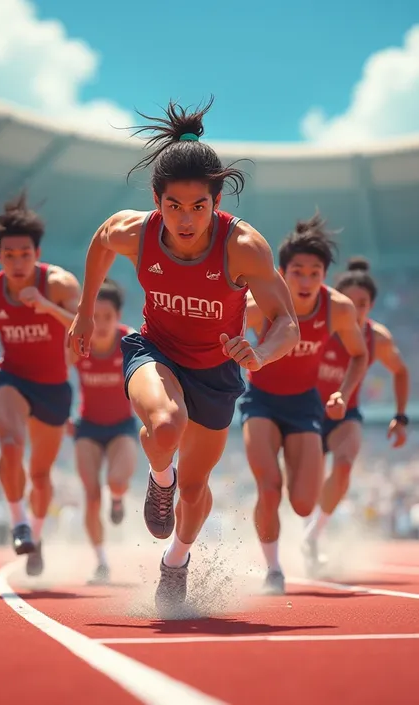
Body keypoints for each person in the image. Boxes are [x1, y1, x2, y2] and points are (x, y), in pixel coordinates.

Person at [68, 97, 300, 611]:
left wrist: (259, 354)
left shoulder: (244, 247)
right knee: (166, 425)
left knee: (197, 490)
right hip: (156, 351)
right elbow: (102, 241)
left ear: (217, 202)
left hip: (216, 371)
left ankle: (176, 562)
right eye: (173, 206)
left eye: (199, 207)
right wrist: (85, 311)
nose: (186, 219)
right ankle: (159, 481)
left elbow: (288, 322)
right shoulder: (137, 231)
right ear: (156, 199)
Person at [240, 213, 368, 595]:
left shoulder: (339, 308)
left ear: (325, 275)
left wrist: (343, 391)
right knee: (268, 486)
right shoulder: (260, 303)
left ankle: (304, 541)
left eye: (315, 273)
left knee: (301, 503)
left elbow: (359, 356)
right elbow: (220, 330)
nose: (307, 281)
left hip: (304, 406)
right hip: (259, 401)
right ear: (281, 272)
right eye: (298, 272)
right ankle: (274, 570)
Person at [0, 192, 81, 576]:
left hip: (53, 386)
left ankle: (37, 537)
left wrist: (49, 308)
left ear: (37, 252)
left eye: (24, 254)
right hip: (11, 377)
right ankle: (19, 523)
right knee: (10, 445)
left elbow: (83, 331)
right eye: (8, 255)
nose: (17, 262)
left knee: (41, 475)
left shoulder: (59, 284)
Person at [303, 257, 409, 571]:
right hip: (304, 413)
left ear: (371, 305)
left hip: (345, 415)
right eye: (349, 302)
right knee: (305, 488)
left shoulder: (378, 338)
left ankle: (313, 536)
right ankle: (300, 536)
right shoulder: (316, 329)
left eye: (362, 304)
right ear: (336, 302)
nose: (356, 310)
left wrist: (400, 417)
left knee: (345, 465)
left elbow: (400, 372)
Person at [68, 279, 138, 584]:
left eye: (107, 317)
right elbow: (56, 376)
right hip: (88, 427)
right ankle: (101, 562)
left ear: (118, 316)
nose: (100, 324)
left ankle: (119, 499)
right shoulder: (77, 343)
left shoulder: (130, 342)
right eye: (94, 317)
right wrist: (61, 416)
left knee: (117, 481)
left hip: (122, 426)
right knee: (92, 495)